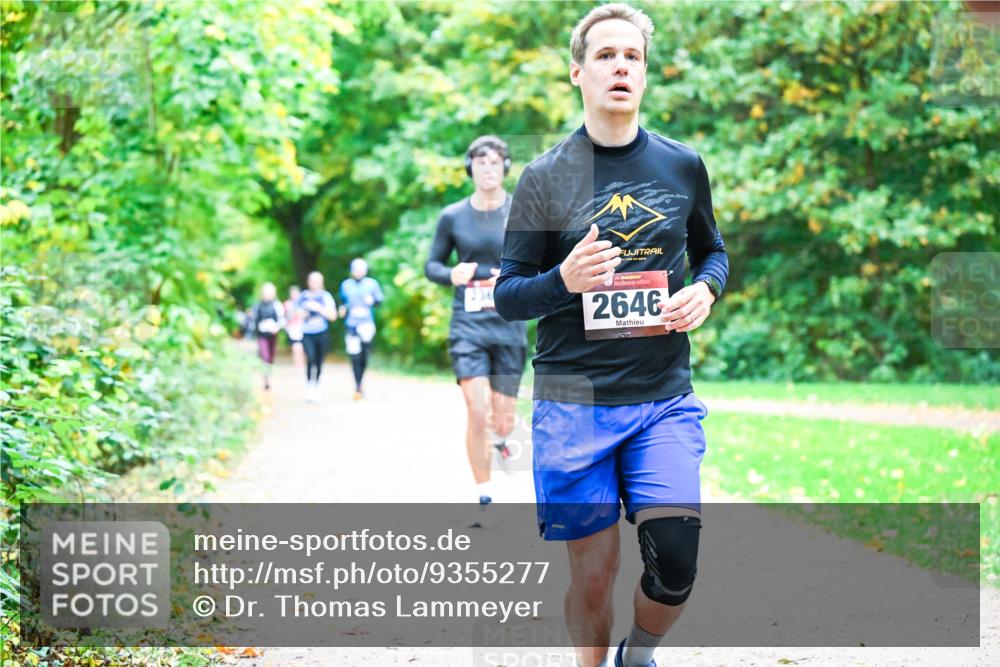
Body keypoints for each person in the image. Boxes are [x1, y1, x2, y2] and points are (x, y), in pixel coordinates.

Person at [493, 5, 729, 667]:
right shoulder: (545, 178)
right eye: (605, 55)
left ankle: (638, 655)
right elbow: (508, 295)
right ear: (578, 72)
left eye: (633, 56)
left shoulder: (682, 165)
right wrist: (563, 279)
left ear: (645, 74)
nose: (620, 66)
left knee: (676, 562)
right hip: (575, 400)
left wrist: (706, 289)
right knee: (593, 575)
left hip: (662, 396)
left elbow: (713, 251)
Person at [425, 135, 529, 520]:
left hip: (509, 324)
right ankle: (484, 493)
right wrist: (452, 273)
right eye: (481, 162)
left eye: (495, 161)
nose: (488, 168)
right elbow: (432, 265)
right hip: (468, 326)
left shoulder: (522, 213)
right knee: (477, 408)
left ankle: (501, 440)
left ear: (505, 167)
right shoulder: (452, 216)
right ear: (471, 168)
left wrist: (516, 275)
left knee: (502, 419)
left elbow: (543, 263)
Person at [339, 258, 384, 400]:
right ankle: (357, 385)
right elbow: (343, 302)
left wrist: (373, 301)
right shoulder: (346, 285)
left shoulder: (372, 284)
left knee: (364, 355)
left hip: (366, 324)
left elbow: (379, 302)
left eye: (361, 269)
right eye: (356, 269)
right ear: (352, 271)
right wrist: (343, 309)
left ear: (365, 270)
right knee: (354, 355)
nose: (359, 272)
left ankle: (360, 382)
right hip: (351, 324)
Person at [296, 271, 337, 403]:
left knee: (319, 360)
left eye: (317, 281)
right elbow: (296, 314)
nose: (315, 283)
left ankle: (317, 385)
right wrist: (305, 312)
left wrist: (319, 309)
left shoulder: (326, 297)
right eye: (312, 280)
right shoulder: (303, 296)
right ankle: (309, 385)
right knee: (310, 357)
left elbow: (333, 316)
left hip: (321, 332)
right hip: (307, 333)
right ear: (309, 282)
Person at [250, 283, 286, 390]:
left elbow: (282, 319)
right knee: (264, 355)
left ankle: (268, 374)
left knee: (271, 356)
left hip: (273, 335)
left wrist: (277, 327)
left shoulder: (277, 305)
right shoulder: (257, 305)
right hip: (261, 334)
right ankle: (265, 379)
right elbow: (253, 320)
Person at [284, 285, 306, 373]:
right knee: (296, 347)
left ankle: (303, 364)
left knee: (303, 347)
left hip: (303, 327)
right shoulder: (287, 304)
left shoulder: (303, 303)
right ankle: (298, 365)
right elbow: (285, 317)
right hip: (293, 328)